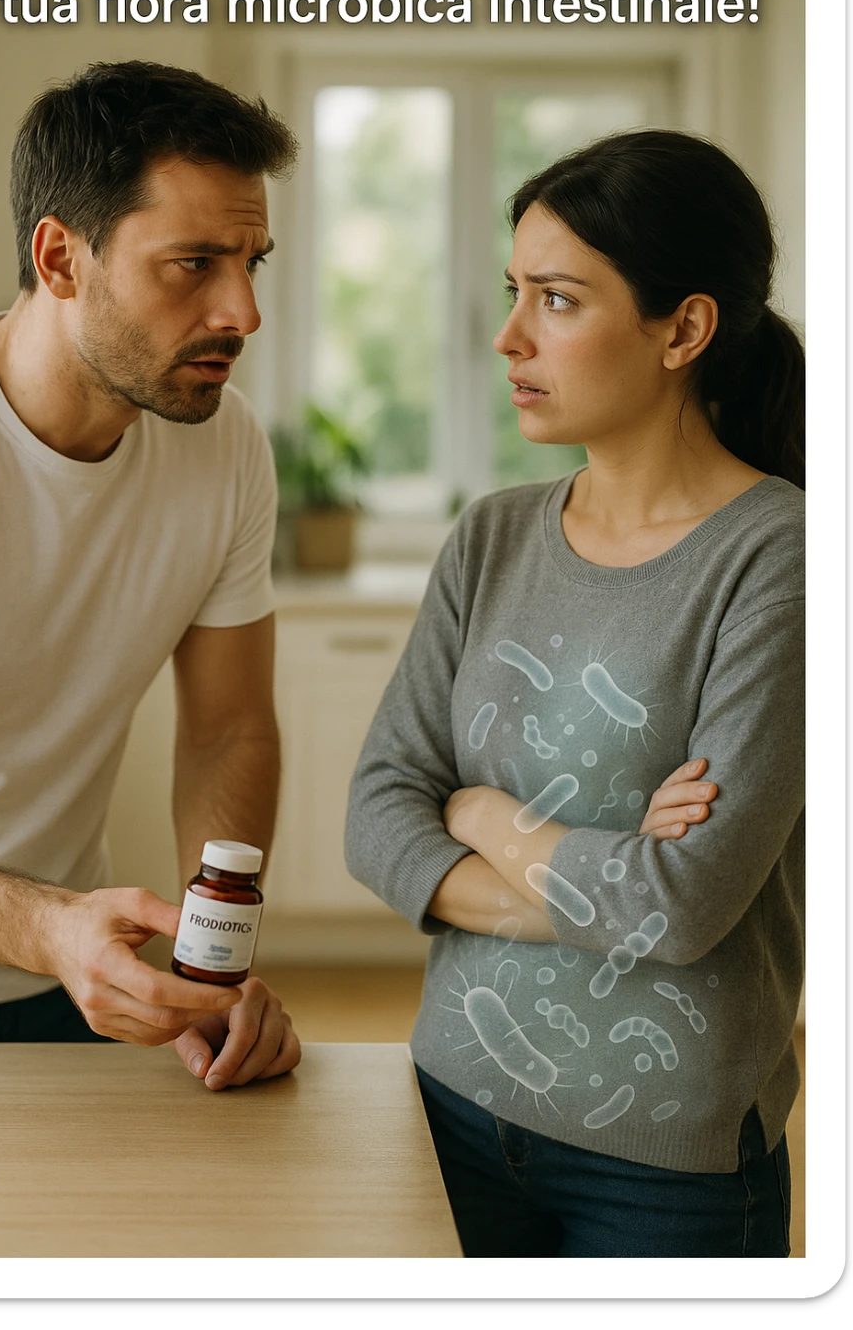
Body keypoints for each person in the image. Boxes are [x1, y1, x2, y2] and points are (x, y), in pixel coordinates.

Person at [346, 129, 805, 1257]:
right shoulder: (492, 536)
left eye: (556, 299)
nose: (506, 337)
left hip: (666, 1162)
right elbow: (374, 814)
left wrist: (483, 815)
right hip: (446, 1105)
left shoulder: (781, 558)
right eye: (514, 293)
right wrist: (599, 891)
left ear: (683, 329)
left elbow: (688, 901)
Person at [0, 60, 301, 1089]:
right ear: (61, 257)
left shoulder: (225, 443)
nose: (241, 309)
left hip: (72, 976)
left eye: (251, 261)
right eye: (192, 263)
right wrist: (48, 930)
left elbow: (227, 729)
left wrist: (215, 961)